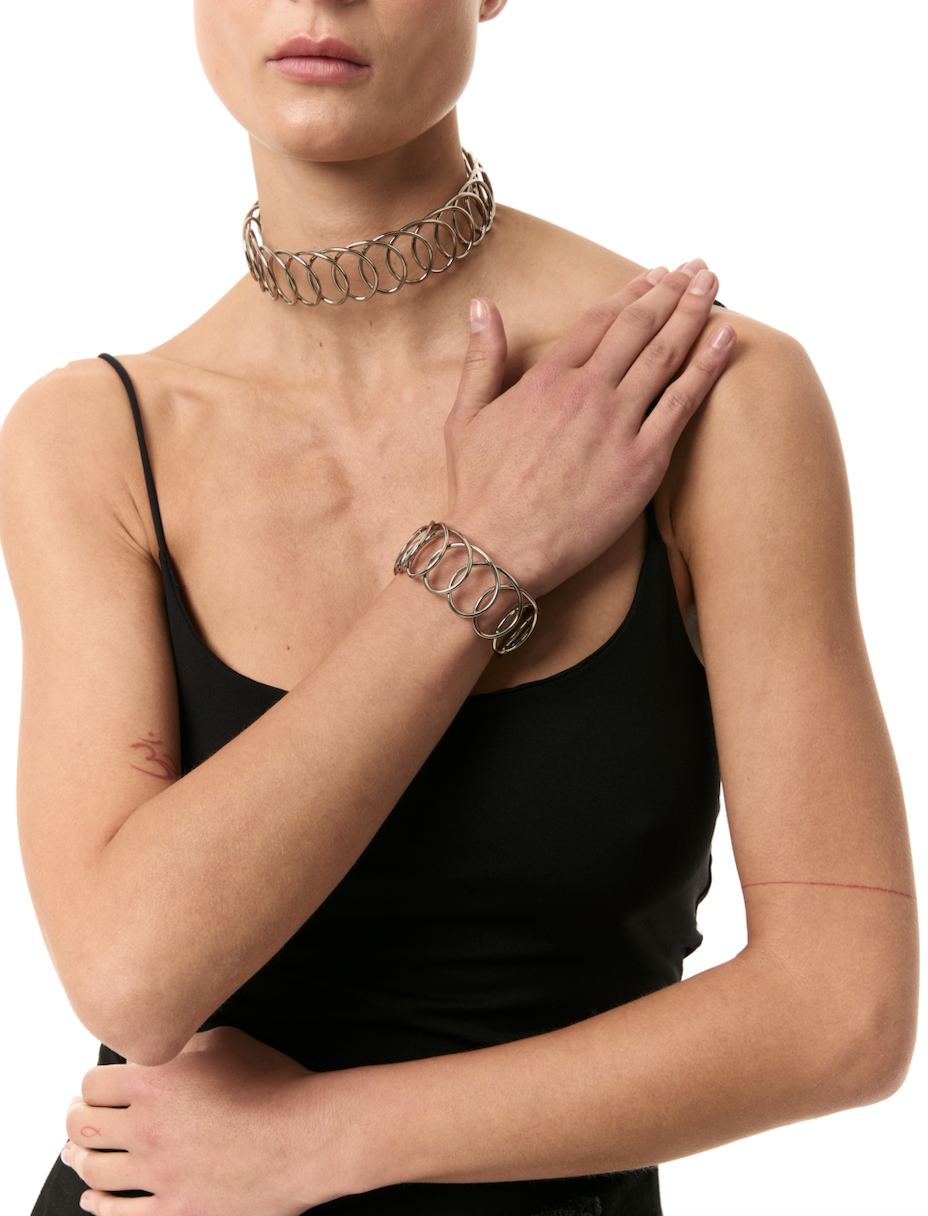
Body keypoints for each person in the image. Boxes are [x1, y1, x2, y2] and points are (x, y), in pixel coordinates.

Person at [0, 2, 917, 1214]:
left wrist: (320, 1138)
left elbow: (844, 1013)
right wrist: (480, 558)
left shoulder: (702, 397)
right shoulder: (90, 438)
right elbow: (134, 977)